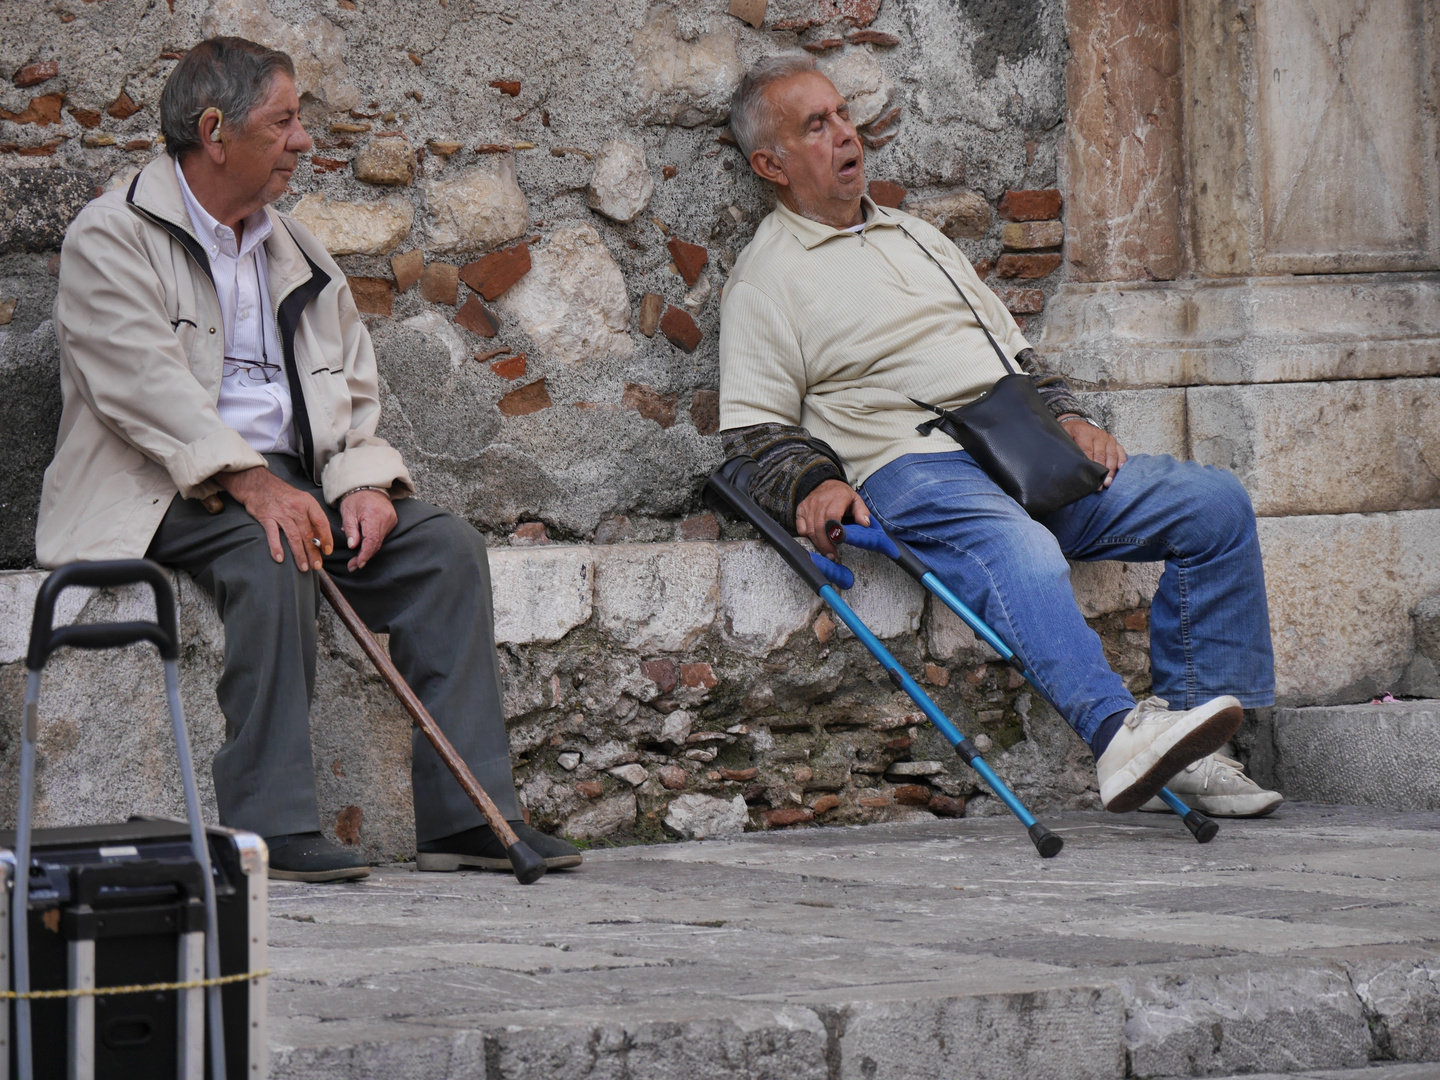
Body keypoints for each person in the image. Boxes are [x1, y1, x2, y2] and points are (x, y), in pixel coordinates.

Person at [38, 37, 582, 881]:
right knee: (272, 547)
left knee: (443, 550)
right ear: (215, 132)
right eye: (285, 121)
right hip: (161, 487)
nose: (304, 142)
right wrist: (253, 483)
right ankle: (270, 826)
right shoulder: (112, 237)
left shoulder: (295, 248)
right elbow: (143, 388)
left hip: (289, 479)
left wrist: (363, 483)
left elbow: (350, 390)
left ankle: (468, 820)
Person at [717, 55, 1283, 819]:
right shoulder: (765, 278)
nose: (845, 134)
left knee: (1212, 505)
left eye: (843, 114)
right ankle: (1119, 737)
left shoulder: (917, 236)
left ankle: (1195, 751)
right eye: (816, 126)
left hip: (1018, 445)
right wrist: (812, 482)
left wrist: (1071, 416)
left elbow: (1014, 357)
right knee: (1024, 551)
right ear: (770, 164)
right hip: (910, 466)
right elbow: (757, 434)